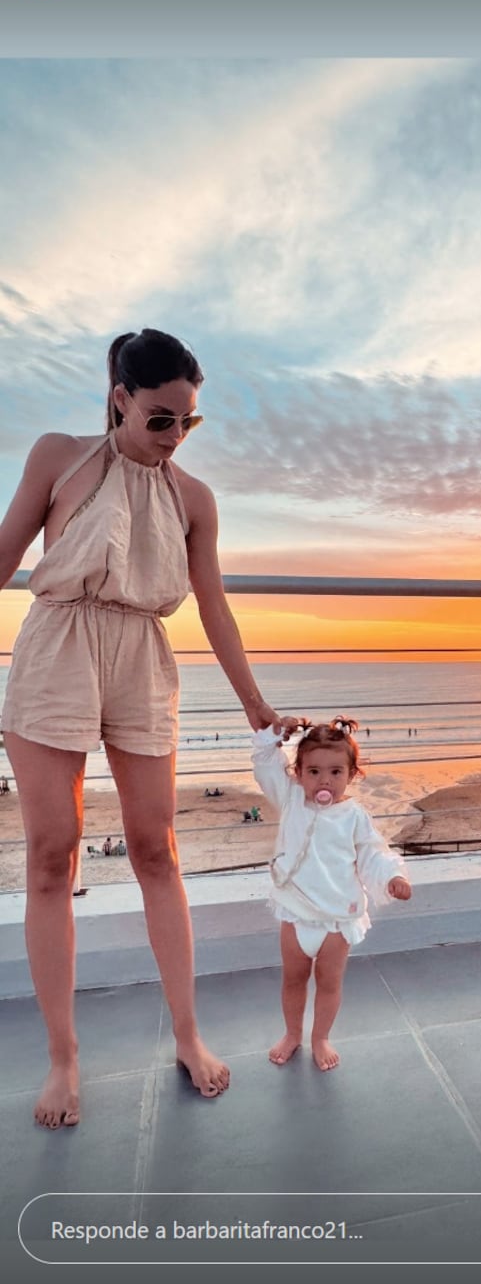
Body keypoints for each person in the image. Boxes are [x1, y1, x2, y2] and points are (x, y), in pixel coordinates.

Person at [0, 327, 291, 1129]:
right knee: (53, 855)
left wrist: (254, 701)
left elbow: (216, 605)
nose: (173, 437)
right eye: (161, 418)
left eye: (188, 423)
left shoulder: (193, 498)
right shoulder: (59, 455)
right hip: (56, 641)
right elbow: (3, 556)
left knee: (157, 849)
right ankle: (64, 1055)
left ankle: (189, 1035)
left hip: (141, 654)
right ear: (120, 398)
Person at [251, 715, 411, 1072]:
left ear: (352, 774)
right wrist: (273, 736)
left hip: (337, 919)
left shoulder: (354, 815)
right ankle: (292, 1033)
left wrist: (392, 877)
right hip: (296, 913)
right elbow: (265, 765)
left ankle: (320, 1037)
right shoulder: (291, 799)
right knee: (293, 980)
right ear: (298, 772)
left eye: (335, 772)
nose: (324, 780)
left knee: (329, 983)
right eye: (314, 772)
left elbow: (373, 852)